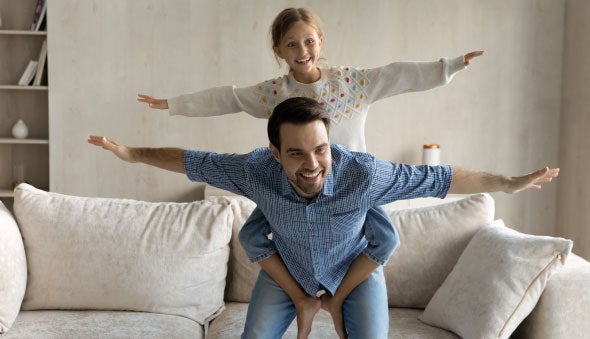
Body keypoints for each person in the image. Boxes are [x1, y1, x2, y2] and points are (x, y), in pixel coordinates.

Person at [88, 97, 559, 339]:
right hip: (286, 271)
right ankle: (305, 303)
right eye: (295, 154)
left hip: (353, 269)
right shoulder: (255, 170)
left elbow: (438, 178)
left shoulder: (364, 173)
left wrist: (508, 181)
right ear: (274, 153)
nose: (312, 164)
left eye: (320, 149)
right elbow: (193, 160)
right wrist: (130, 153)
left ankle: (332, 303)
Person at [137, 8, 484, 335]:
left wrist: (447, 67)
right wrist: (174, 105)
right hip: (292, 187)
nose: (302, 51)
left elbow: (396, 76)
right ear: (279, 51)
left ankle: (339, 296)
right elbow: (229, 98)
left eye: (309, 41)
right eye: (291, 44)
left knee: (383, 237)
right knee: (257, 228)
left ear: (320, 41)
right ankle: (299, 294)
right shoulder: (274, 93)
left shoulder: (352, 82)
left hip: (352, 192)